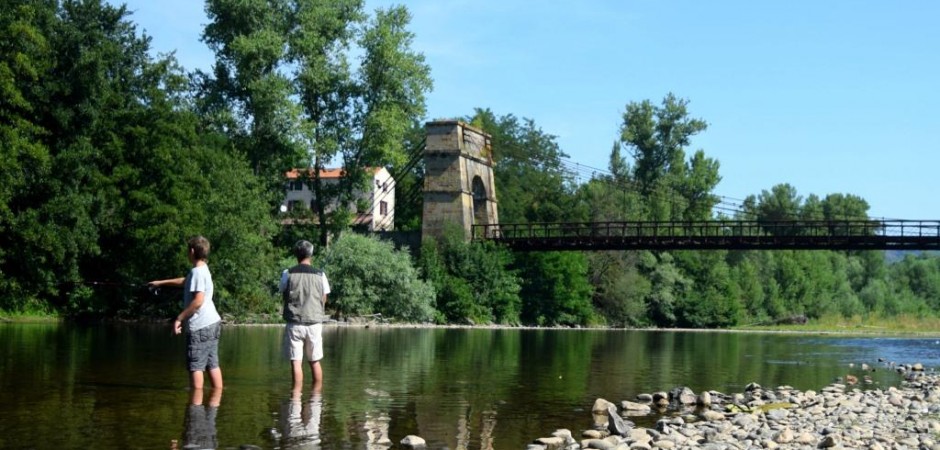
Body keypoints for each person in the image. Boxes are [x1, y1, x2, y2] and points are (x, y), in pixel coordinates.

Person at [149, 236, 223, 390]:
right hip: (213, 323)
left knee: (195, 366)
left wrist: (179, 318)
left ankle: (195, 407)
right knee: (212, 364)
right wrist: (160, 283)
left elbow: (197, 301)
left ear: (192, 251)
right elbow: (186, 281)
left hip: (200, 326)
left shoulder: (197, 272)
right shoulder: (202, 270)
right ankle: (216, 401)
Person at [279, 240, 331, 392]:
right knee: (314, 361)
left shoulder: (287, 273)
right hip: (314, 323)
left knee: (296, 362)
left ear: (296, 254)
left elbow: (283, 292)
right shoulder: (321, 274)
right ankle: (316, 398)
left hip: (294, 323)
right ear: (311, 254)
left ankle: (295, 399)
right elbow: (324, 297)